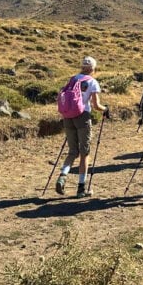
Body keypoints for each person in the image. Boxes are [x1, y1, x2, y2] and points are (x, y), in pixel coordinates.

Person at [55, 56, 108, 198]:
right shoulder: (93, 82)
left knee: (73, 152)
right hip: (83, 117)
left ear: (82, 66)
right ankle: (81, 188)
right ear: (93, 68)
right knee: (85, 153)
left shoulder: (73, 79)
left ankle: (62, 176)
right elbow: (96, 106)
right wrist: (105, 109)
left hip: (68, 117)